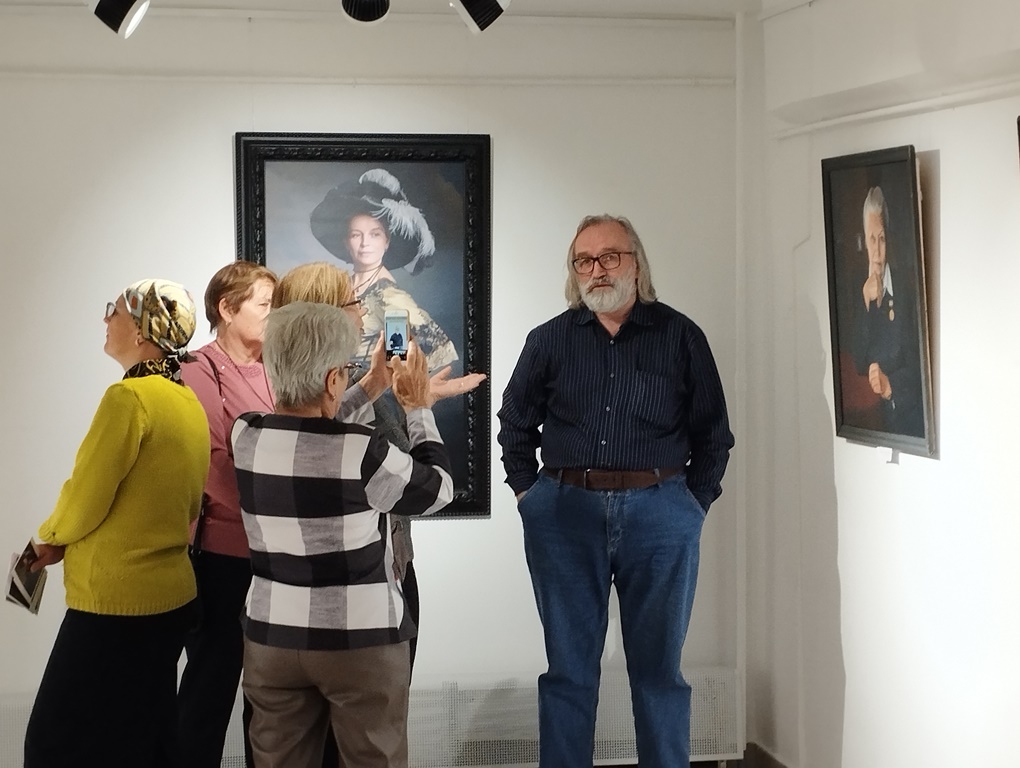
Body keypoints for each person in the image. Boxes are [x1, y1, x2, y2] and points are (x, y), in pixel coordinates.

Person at [496, 214, 734, 768]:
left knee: (659, 672)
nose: (597, 270)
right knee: (568, 672)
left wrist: (690, 506)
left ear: (636, 264)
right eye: (584, 261)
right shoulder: (548, 340)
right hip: (563, 516)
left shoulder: (681, 336)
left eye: (609, 257)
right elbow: (514, 423)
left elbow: (713, 433)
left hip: (661, 515)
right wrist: (530, 497)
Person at [233, 302, 454, 768]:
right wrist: (418, 409)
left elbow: (311, 423)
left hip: (272, 638)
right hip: (360, 641)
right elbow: (437, 490)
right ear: (334, 379)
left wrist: (370, 383)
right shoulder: (363, 451)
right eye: (345, 372)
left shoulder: (246, 435)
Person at [24, 280, 209, 768]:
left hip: (115, 603)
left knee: (52, 741)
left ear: (144, 330)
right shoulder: (187, 401)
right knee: (147, 738)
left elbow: (87, 494)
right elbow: (192, 504)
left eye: (117, 310)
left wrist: (51, 537)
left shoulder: (127, 399)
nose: (107, 319)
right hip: (171, 598)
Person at [176, 261, 278, 768]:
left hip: (276, 557)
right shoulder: (199, 368)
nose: (273, 314)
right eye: (265, 304)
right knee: (209, 688)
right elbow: (213, 460)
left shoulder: (278, 368)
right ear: (227, 308)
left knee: (271, 697)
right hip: (223, 557)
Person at [309, 167, 458, 372]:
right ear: (346, 242)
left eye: (375, 234)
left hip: (366, 390)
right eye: (356, 235)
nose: (365, 243)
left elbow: (400, 360)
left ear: (387, 242)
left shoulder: (388, 297)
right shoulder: (343, 286)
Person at [851, 185, 924, 436]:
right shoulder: (857, 290)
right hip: (874, 424)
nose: (877, 251)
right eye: (871, 239)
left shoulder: (906, 290)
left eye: (881, 239)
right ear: (864, 240)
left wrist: (889, 386)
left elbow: (917, 363)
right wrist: (866, 303)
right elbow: (858, 361)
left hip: (908, 415)